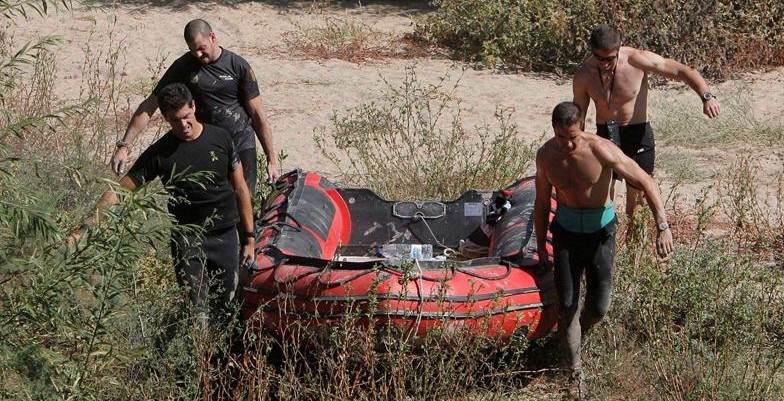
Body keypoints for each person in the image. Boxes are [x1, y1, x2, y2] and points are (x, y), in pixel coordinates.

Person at [72, 82, 256, 323]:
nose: (183, 124)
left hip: (225, 235)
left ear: (193, 106)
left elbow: (240, 188)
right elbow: (120, 190)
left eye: (186, 116)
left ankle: (220, 347)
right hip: (187, 239)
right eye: (175, 120)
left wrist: (249, 238)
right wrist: (85, 228)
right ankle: (194, 345)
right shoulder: (160, 153)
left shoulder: (220, 138)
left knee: (226, 308)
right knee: (196, 312)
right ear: (166, 118)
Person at [534, 102, 674, 397]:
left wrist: (662, 226)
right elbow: (542, 202)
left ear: (582, 127)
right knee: (568, 304)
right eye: (561, 137)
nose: (567, 144)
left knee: (599, 307)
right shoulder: (546, 155)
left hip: (600, 235)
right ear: (553, 129)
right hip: (566, 235)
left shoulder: (601, 150)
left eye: (573, 137)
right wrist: (541, 246)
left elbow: (646, 181)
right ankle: (574, 372)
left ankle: (574, 335)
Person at [111, 18, 279, 195]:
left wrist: (272, 160)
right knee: (213, 199)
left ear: (212, 37)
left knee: (244, 197)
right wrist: (124, 145)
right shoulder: (184, 66)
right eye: (192, 50)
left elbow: (258, 115)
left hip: (241, 143)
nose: (197, 54)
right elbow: (149, 105)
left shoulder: (237, 65)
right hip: (208, 145)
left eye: (201, 48)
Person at [572, 23, 720, 220]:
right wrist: (575, 147)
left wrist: (707, 96)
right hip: (606, 134)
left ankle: (634, 237)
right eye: (599, 58)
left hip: (637, 133)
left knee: (637, 199)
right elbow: (579, 115)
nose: (604, 64)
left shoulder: (637, 60)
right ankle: (609, 236)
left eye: (609, 59)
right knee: (605, 196)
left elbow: (684, 71)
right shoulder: (584, 74)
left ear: (619, 47)